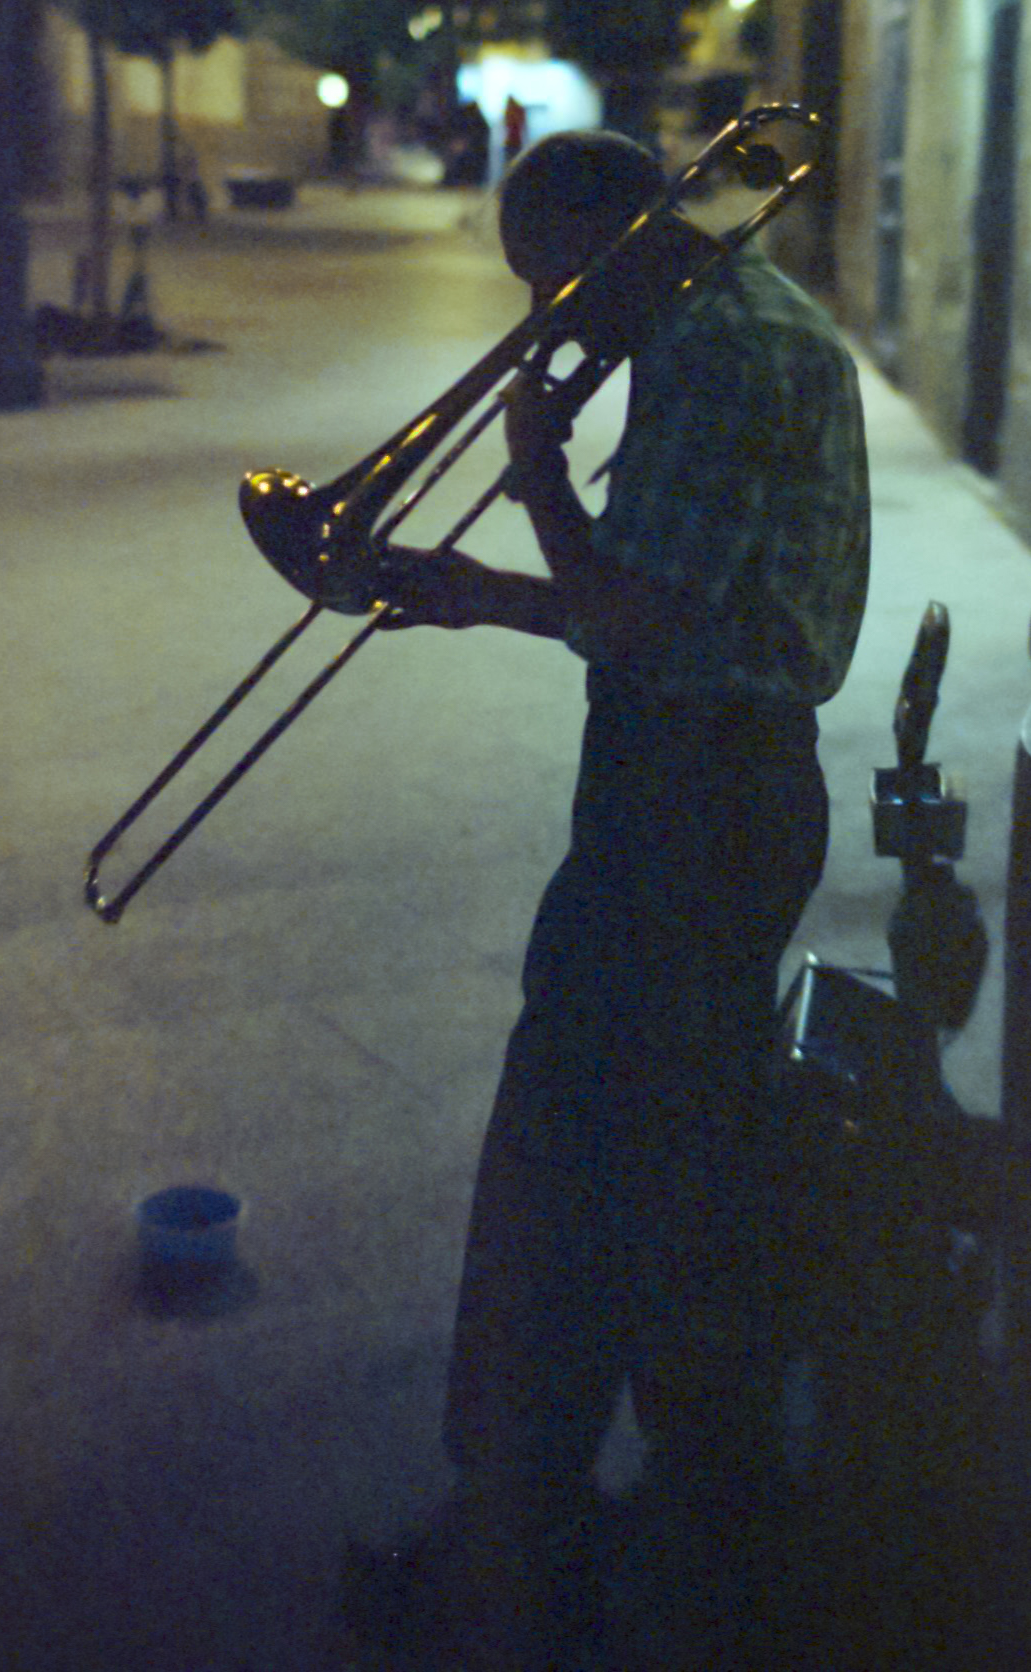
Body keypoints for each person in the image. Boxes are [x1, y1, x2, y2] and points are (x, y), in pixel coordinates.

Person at [368, 127, 871, 1670]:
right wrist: (507, 570)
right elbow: (660, 604)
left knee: (575, 1145)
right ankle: (659, 1511)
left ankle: (538, 1540)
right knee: (660, 1152)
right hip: (711, 780)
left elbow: (635, 619)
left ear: (625, 235)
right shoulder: (724, 316)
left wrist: (520, 502)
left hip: (694, 794)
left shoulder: (718, 354)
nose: (550, 322)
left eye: (558, 286)